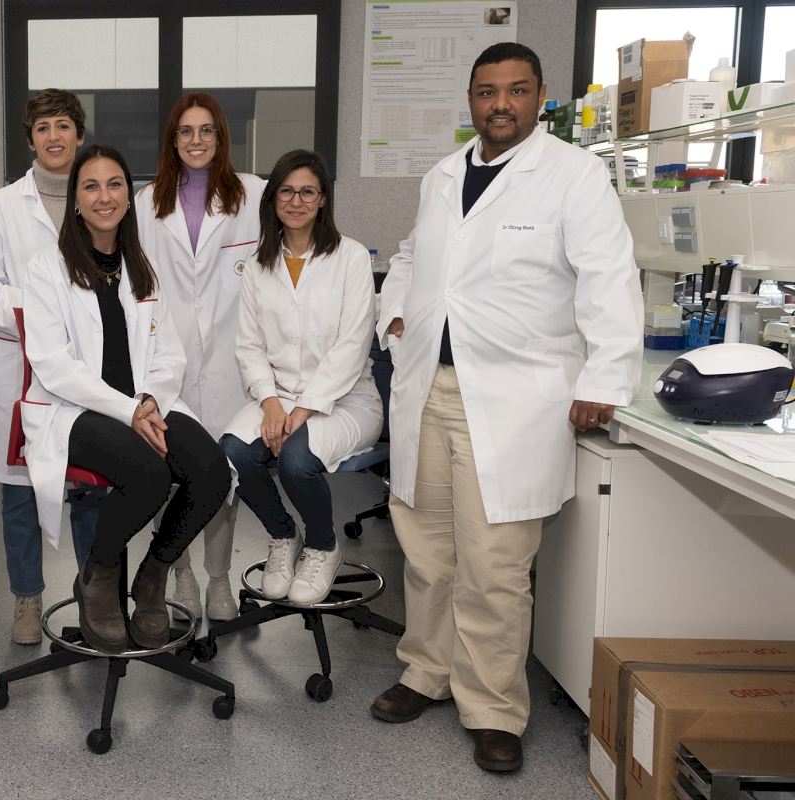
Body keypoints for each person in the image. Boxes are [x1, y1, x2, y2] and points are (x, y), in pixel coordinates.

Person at [370, 43, 643, 772]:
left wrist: (606, 375)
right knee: (426, 550)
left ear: (540, 96)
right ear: (470, 99)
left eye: (516, 90)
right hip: (428, 387)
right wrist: (393, 310)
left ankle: (492, 708)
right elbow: (409, 256)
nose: (500, 104)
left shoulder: (574, 175)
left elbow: (609, 276)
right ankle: (425, 671)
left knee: (493, 565)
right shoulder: (441, 176)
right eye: (487, 91)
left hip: (513, 399)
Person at [21, 143, 232, 653]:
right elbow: (53, 365)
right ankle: (99, 572)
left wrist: (151, 401)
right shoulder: (47, 268)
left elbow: (169, 353)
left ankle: (153, 574)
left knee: (212, 473)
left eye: (115, 184)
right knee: (150, 473)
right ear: (75, 200)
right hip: (74, 410)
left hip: (143, 403)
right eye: (91, 186)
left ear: (127, 196)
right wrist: (129, 410)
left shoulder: (142, 266)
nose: (105, 197)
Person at [0, 89, 100, 645]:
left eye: (63, 125)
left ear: (79, 135)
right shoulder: (2, 205)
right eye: (43, 127)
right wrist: (41, 309)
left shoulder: (101, 196)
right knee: (20, 495)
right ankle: (26, 599)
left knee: (91, 491)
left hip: (89, 369)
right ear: (30, 140)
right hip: (22, 370)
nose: (53, 136)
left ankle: (96, 597)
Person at [220, 149, 383, 606]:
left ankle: (323, 545)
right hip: (279, 396)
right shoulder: (258, 265)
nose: (296, 201)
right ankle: (282, 535)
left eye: (307, 192)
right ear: (273, 199)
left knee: (296, 459)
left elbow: (352, 345)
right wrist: (271, 404)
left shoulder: (350, 257)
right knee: (233, 453)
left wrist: (305, 410)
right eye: (286, 191)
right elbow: (249, 345)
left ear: (323, 199)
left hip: (348, 399)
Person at [136, 93, 265, 626]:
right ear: (173, 139)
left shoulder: (252, 195)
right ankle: (180, 574)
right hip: (168, 362)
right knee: (170, 473)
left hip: (231, 360)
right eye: (185, 131)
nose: (196, 140)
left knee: (223, 475)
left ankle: (218, 578)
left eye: (206, 130)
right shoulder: (147, 203)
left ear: (221, 137)